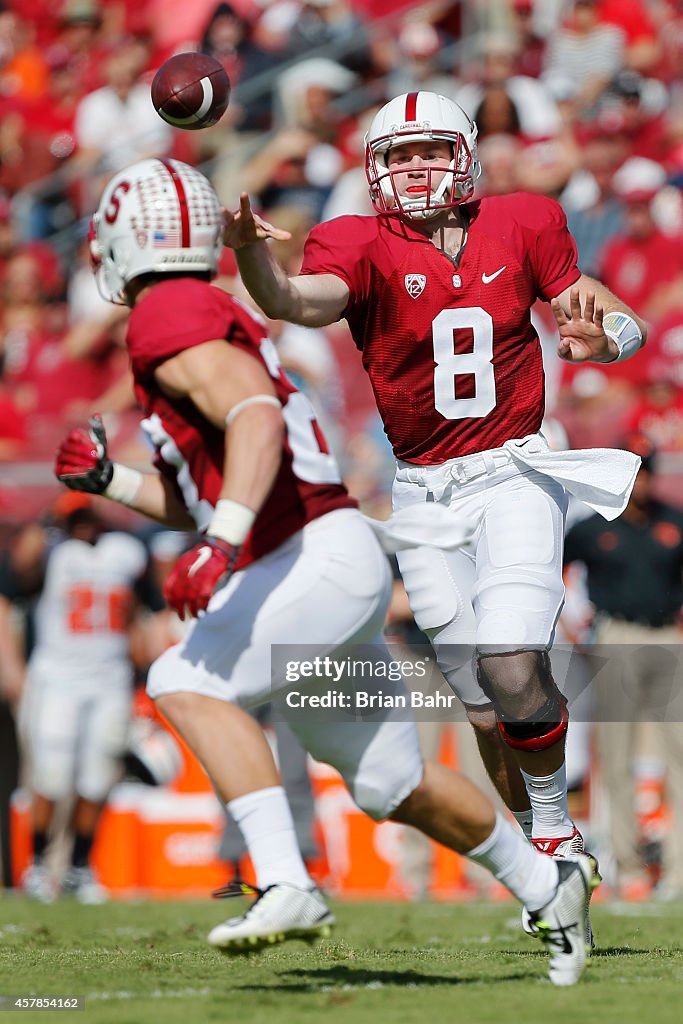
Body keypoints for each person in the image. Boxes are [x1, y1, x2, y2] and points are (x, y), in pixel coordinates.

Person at [55, 156, 594, 985]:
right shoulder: (195, 312)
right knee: (390, 782)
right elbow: (209, 479)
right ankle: (544, 884)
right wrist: (112, 483)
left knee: (179, 681)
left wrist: (223, 541)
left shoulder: (168, 310)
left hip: (304, 559)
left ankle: (283, 878)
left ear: (129, 237)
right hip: (327, 562)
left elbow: (254, 413)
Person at [222, 91, 645, 941]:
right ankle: (544, 857)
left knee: (513, 665)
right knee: (484, 707)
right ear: (377, 169)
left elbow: (584, 301)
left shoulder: (524, 219)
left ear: (464, 154)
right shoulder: (356, 238)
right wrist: (252, 263)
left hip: (516, 470)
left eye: (429, 151)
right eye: (399, 155)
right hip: (420, 493)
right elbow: (298, 302)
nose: (415, 168)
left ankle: (560, 832)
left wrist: (619, 335)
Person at [564, 436, 683, 899]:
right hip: (613, 636)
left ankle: (676, 869)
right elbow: (552, 568)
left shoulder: (673, 523)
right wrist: (571, 629)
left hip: (667, 638)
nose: (641, 484)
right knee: (615, 757)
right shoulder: (594, 528)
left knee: (678, 754)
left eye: (646, 473)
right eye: (633, 475)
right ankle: (628, 866)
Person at [17, 493, 148, 903]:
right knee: (51, 776)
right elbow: (20, 570)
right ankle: (38, 866)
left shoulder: (125, 551)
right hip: (57, 678)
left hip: (109, 679)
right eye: (77, 518)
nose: (85, 525)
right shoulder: (53, 551)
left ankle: (78, 868)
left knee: (96, 777)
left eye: (89, 515)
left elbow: (144, 607)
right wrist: (48, 519)